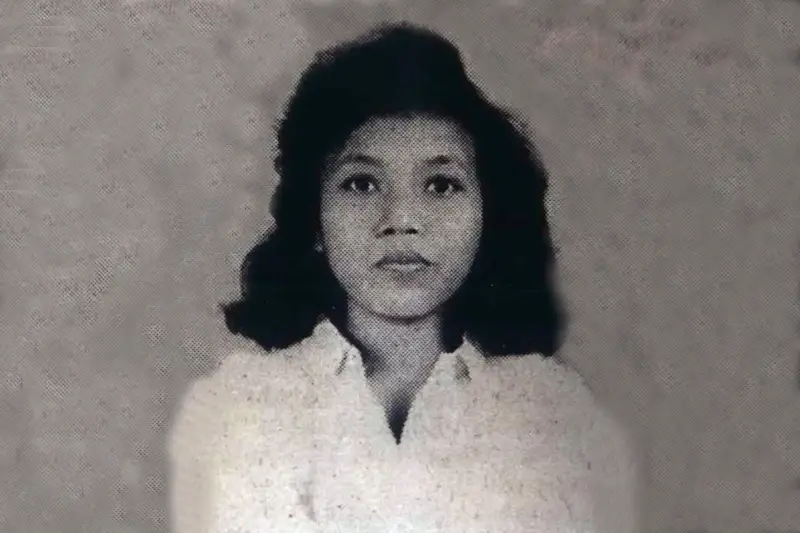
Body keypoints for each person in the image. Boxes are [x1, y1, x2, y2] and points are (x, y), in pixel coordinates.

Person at [168, 22, 641, 533]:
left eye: (440, 185)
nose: (402, 220)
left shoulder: (551, 410)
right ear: (314, 219)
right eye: (362, 183)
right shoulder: (243, 405)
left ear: (487, 215)